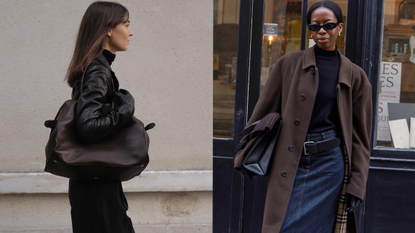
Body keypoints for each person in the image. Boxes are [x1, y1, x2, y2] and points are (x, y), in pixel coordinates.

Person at [234, 1, 373, 233]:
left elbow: (360, 137)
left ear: (340, 27)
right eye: (315, 26)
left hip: (331, 165)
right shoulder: (287, 64)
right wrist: (245, 153)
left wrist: (357, 185)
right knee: (284, 226)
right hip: (291, 159)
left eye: (328, 25)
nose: (321, 31)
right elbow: (264, 109)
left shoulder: (355, 76)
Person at [64, 1, 135, 232]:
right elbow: (88, 126)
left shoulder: (96, 67)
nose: (130, 31)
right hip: (97, 186)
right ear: (108, 29)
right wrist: (124, 111)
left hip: (94, 178)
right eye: (126, 24)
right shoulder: (98, 70)